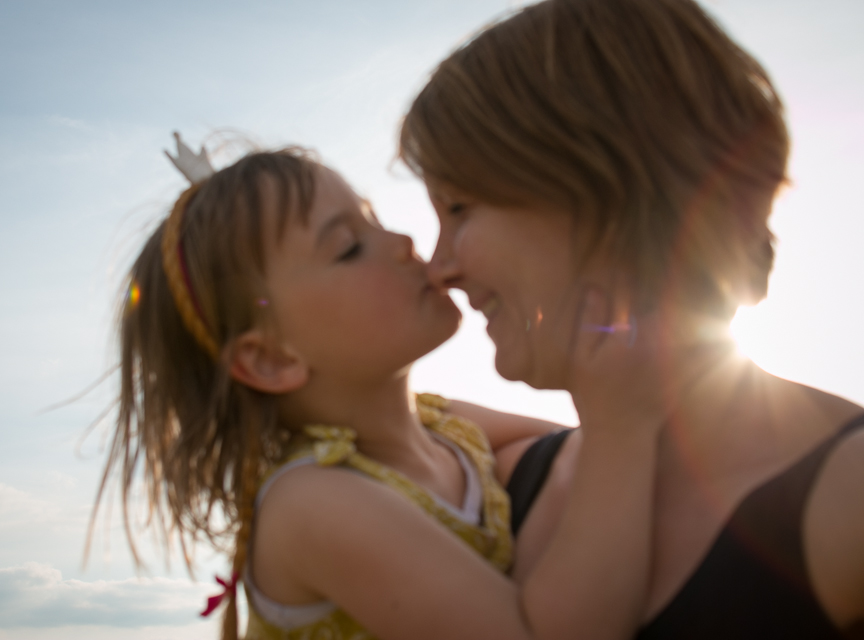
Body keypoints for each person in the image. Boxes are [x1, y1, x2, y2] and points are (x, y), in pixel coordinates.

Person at [399, 0, 864, 637]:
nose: (439, 268)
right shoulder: (497, 480)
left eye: (458, 208)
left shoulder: (848, 498)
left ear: (603, 183)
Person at [93, 135, 665, 640]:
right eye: (349, 247)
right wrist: (624, 417)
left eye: (373, 218)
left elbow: (575, 451)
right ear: (270, 359)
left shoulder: (444, 426)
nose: (402, 241)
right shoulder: (312, 503)